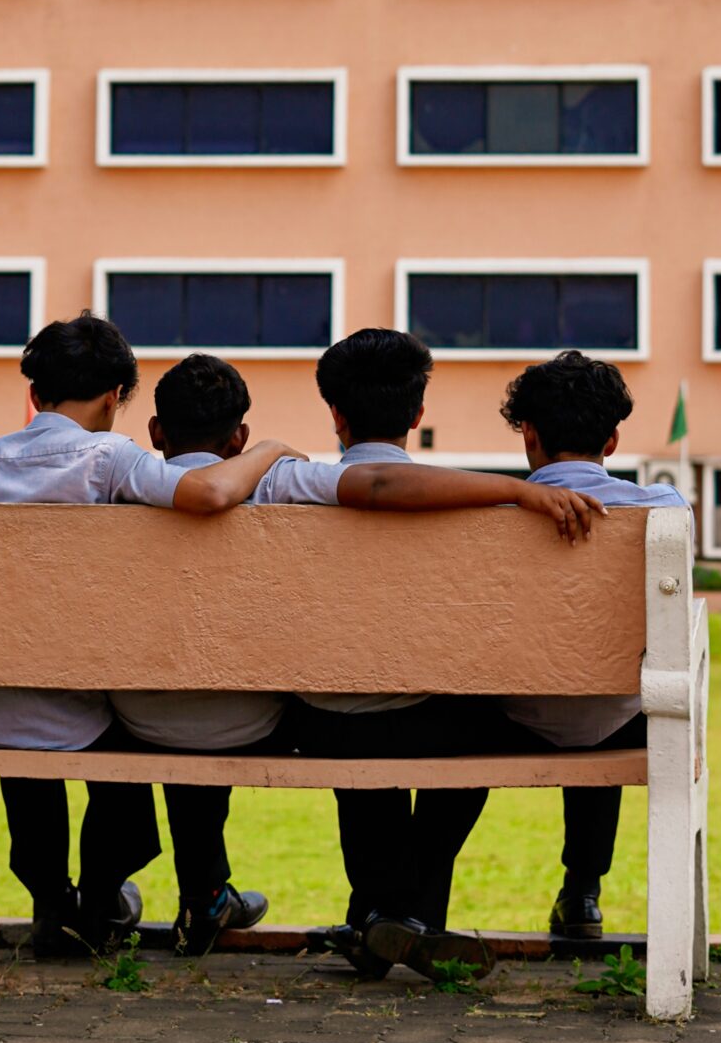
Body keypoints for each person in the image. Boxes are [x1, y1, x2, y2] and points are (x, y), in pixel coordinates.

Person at [0, 311, 296, 959]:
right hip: (66, 705)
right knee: (113, 740)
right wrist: (270, 449)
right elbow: (210, 493)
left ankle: (54, 903)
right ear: (113, 398)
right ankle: (101, 895)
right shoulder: (109, 459)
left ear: (34, 392)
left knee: (30, 718)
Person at [254, 325, 604, 983]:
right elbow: (381, 487)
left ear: (334, 414)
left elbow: (371, 483)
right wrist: (517, 490)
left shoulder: (284, 487)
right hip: (421, 717)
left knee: (357, 722)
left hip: (319, 719)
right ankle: (405, 916)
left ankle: (381, 919)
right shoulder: (472, 508)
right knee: (469, 727)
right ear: (418, 416)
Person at [495, 351, 689, 943]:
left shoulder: (489, 511)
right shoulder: (665, 510)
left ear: (528, 434)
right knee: (610, 700)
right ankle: (582, 891)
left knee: (474, 700)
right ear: (611, 439)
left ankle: (417, 905)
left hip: (506, 716)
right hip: (620, 714)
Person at [107, 352, 284, 956]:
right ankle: (207, 894)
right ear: (240, 438)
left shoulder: (114, 498)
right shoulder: (277, 495)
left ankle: (113, 892)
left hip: (138, 712)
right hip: (250, 717)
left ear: (156, 432)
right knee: (216, 699)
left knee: (169, 694)